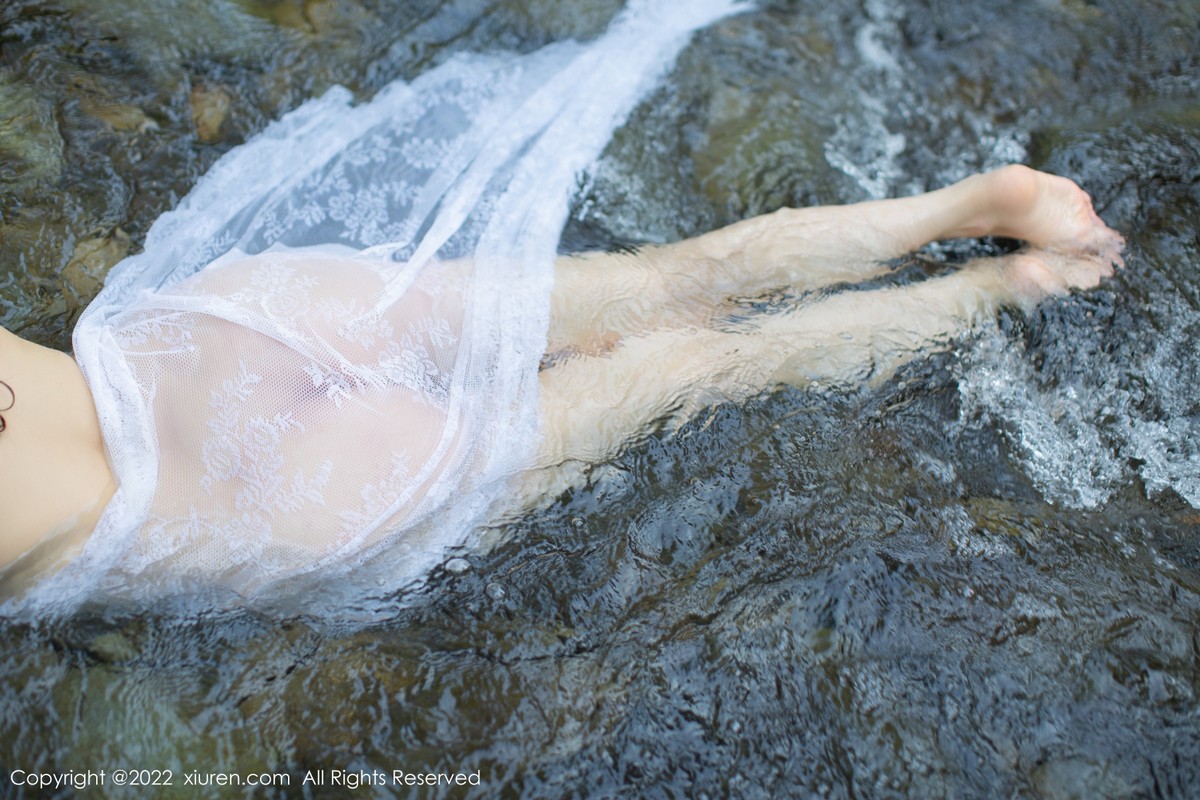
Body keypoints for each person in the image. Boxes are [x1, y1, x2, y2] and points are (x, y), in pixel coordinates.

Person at [0, 164, 1123, 588]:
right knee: (670, 280)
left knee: (713, 361)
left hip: (258, 500)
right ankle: (958, 209)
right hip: (205, 334)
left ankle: (992, 293)